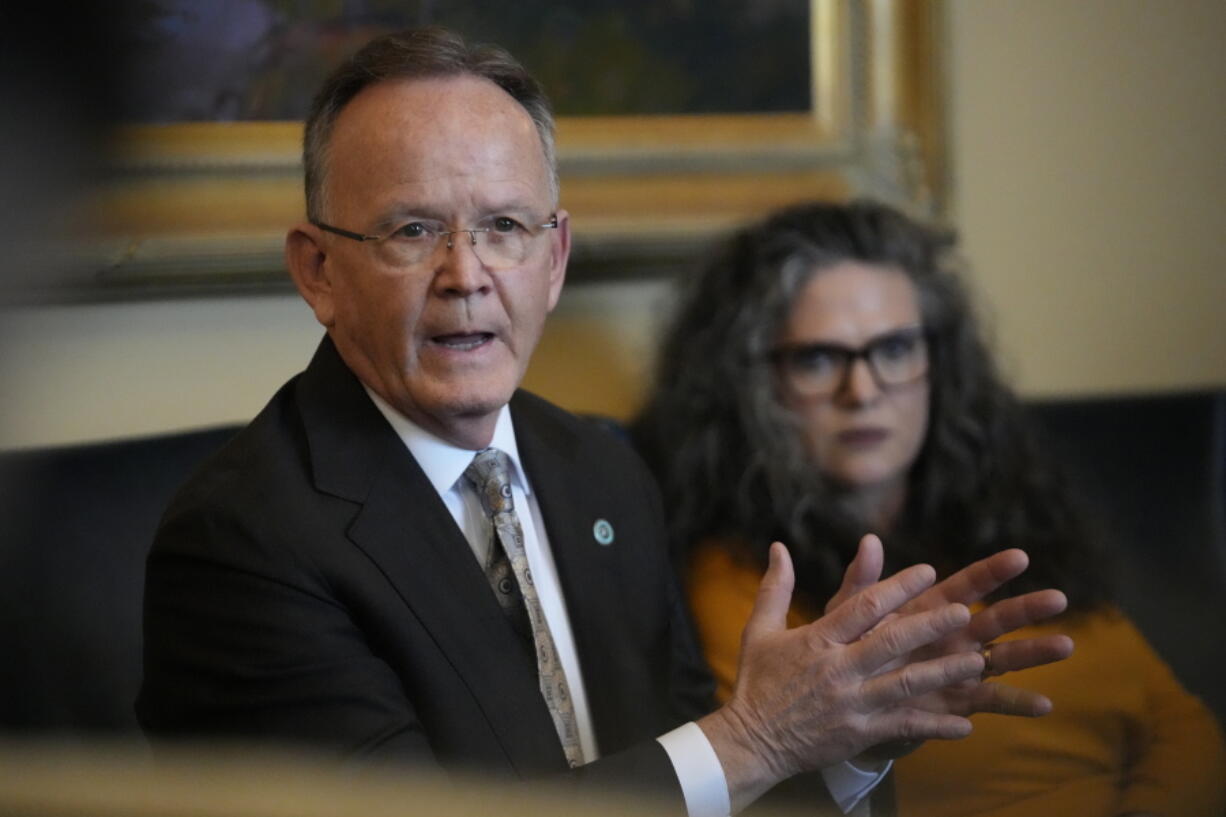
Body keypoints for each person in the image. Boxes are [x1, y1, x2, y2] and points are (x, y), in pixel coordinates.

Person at [137, 29, 1074, 816]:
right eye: (413, 230)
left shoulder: (596, 468)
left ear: (555, 259)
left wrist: (842, 741)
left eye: (505, 225)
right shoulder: (243, 540)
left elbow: (696, 788)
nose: (468, 274)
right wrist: (756, 734)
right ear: (318, 272)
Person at [633, 200, 1226, 816]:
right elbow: (779, 794)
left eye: (893, 349)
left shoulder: (1015, 519)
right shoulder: (745, 584)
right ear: (755, 386)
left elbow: (1181, 727)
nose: (861, 392)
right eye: (817, 359)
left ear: (939, 365)